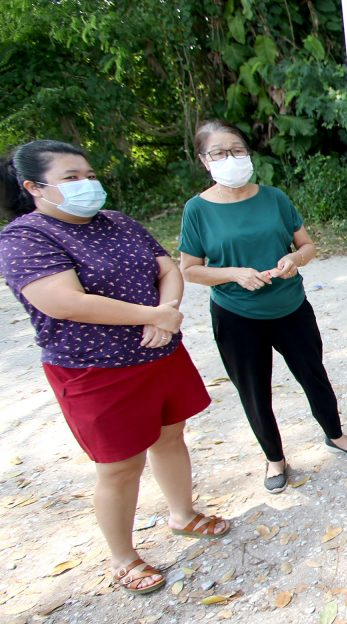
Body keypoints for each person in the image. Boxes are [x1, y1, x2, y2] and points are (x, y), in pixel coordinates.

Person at [0, 140, 230, 596]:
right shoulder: (27, 237)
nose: (87, 183)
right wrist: (152, 316)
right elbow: (62, 301)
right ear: (34, 187)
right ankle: (124, 557)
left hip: (159, 354)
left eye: (88, 174)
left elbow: (167, 268)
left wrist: (167, 309)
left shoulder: (118, 222)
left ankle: (183, 514)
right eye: (71, 178)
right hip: (96, 370)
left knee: (171, 435)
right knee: (121, 465)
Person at [178, 120, 347, 494]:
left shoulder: (274, 198)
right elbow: (190, 270)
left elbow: (308, 246)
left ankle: (335, 434)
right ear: (204, 160)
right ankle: (274, 458)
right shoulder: (196, 210)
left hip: (291, 307)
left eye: (237, 149)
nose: (231, 158)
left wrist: (294, 260)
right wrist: (233, 274)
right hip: (236, 316)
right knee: (254, 390)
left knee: (314, 374)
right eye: (219, 153)